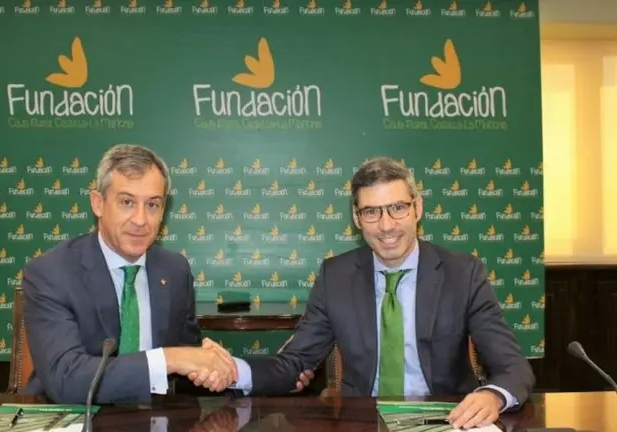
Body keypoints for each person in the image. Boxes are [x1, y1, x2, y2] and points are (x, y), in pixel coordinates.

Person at [220, 157, 535, 430]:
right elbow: (295, 362)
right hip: (363, 421)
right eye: (371, 212)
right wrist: (231, 371)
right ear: (357, 218)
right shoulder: (336, 276)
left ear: (417, 208)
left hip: (448, 420)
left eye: (397, 208)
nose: (386, 226)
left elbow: (513, 366)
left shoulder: (463, 273)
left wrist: (492, 396)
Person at [21, 144, 256, 404]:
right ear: (98, 203)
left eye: (152, 205)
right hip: (72, 416)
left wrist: (212, 370)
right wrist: (170, 358)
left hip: (153, 415)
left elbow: (186, 367)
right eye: (127, 202)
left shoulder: (175, 270)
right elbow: (65, 380)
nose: (141, 220)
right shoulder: (51, 273)